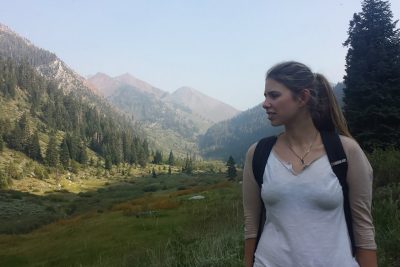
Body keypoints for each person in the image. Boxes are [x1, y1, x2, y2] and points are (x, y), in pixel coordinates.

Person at [242, 61, 377, 267]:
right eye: (265, 96)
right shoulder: (258, 153)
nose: (265, 103)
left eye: (274, 95)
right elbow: (251, 225)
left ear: (303, 97)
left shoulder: (345, 152)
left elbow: (363, 229)